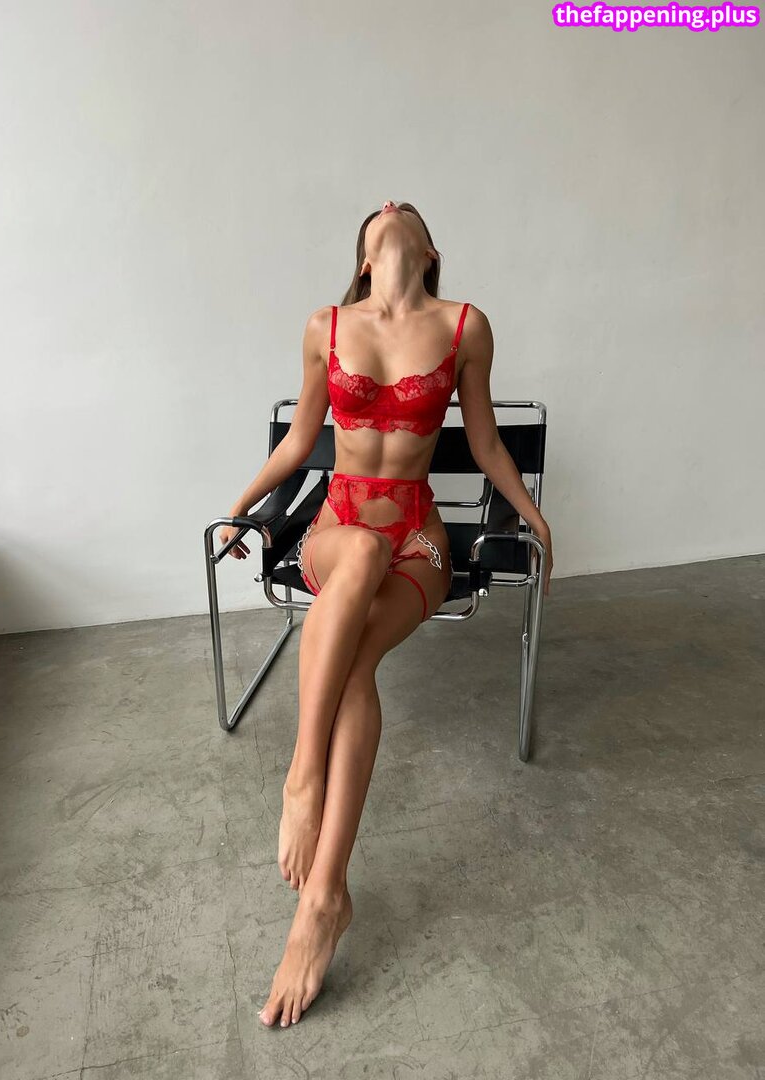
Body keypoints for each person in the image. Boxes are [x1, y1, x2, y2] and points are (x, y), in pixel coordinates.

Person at [219, 200, 554, 1028]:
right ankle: (306, 787)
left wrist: (532, 517)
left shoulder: (466, 326)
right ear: (364, 259)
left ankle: (324, 895)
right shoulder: (325, 325)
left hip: (419, 541)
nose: (393, 205)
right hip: (336, 534)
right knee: (360, 553)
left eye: (408, 213)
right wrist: (238, 509)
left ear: (429, 251)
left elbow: (485, 444)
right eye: (378, 213)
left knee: (358, 657)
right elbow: (299, 443)